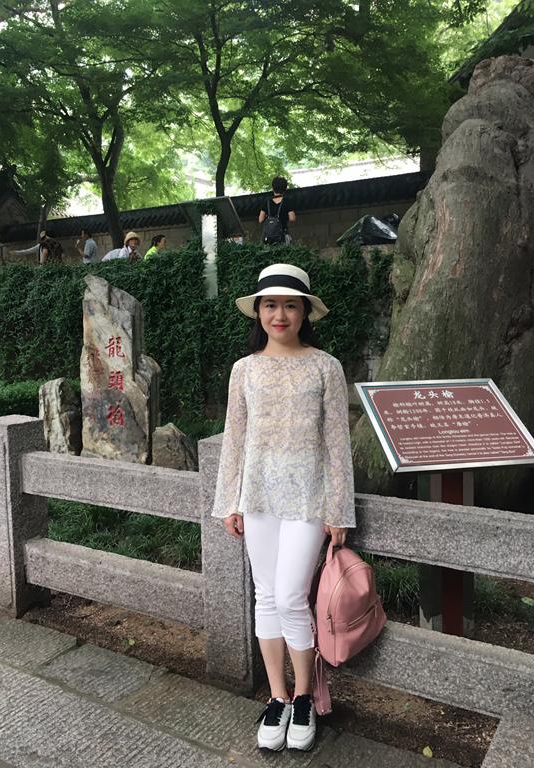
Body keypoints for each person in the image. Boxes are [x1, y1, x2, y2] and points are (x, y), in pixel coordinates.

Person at [212, 263, 355, 752]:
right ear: (258, 311)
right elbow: (235, 438)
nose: (280, 314)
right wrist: (229, 501)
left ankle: (305, 696)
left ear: (304, 312)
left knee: (292, 596)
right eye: (270, 305)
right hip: (258, 497)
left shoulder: (325, 367)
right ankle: (277, 697)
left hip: (309, 499)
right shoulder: (244, 369)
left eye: (290, 305)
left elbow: (337, 443)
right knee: (267, 596)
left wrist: (339, 509)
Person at [259, 176, 295, 245]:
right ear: (285, 189)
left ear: (272, 188)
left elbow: (260, 220)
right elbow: (292, 218)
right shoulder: (287, 202)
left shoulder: (267, 202)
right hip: (282, 237)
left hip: (268, 238)